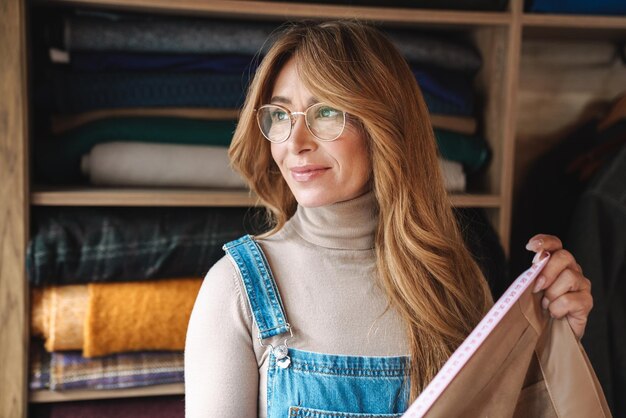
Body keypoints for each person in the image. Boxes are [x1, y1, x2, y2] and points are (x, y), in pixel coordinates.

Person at [184, 21, 593, 418]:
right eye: (280, 115)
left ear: (384, 125)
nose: (295, 142)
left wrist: (555, 342)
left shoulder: (455, 282)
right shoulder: (236, 290)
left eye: (325, 112)